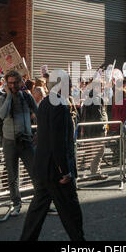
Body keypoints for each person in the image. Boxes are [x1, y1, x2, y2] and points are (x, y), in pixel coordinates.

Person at [20, 84, 85, 241]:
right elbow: (58, 141)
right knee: (71, 211)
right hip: (56, 170)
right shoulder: (59, 104)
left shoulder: (45, 103)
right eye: (68, 84)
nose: (71, 88)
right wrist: (65, 171)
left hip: (44, 167)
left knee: (37, 211)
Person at [0, 70, 38, 216]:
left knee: (35, 173)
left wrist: (38, 133)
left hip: (26, 141)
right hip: (9, 142)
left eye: (15, 82)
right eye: (10, 83)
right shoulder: (2, 98)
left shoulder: (27, 97)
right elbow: (2, 114)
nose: (13, 85)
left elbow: (38, 113)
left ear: (21, 82)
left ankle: (41, 203)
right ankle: (16, 204)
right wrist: (9, 95)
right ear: (6, 84)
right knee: (12, 176)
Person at [80, 87, 108, 180]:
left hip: (90, 130)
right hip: (97, 130)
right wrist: (103, 127)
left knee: (94, 152)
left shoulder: (87, 101)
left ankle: (94, 171)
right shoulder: (97, 100)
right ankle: (95, 172)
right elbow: (98, 116)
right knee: (98, 152)